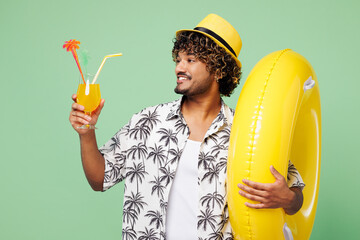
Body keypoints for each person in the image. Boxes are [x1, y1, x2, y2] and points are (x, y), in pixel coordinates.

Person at [69, 14, 305, 240]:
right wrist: (86, 132)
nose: (179, 68)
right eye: (178, 60)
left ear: (218, 69)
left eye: (190, 60)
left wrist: (287, 198)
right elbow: (99, 179)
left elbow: (296, 198)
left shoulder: (246, 133)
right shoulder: (147, 122)